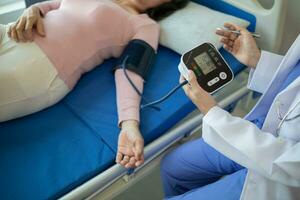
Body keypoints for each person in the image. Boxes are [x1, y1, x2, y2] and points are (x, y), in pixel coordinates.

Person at [0, 0, 188, 169]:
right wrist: (33, 10)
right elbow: (53, 5)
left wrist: (129, 125)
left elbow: (130, 71)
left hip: (42, 64)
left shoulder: (145, 25)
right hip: (11, 32)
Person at [160, 23, 300, 200]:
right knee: (173, 167)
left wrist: (212, 112)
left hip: (280, 178)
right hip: (270, 125)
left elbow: (289, 164)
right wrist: (257, 60)